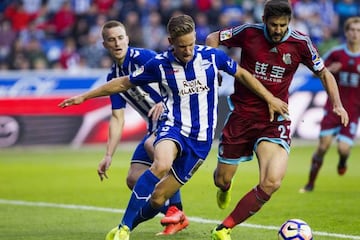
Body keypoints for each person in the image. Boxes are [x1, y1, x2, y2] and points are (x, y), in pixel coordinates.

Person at [59, 14, 289, 240]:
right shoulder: (159, 64)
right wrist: (85, 97)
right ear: (170, 43)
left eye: (190, 44)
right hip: (173, 127)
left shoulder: (211, 57)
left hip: (200, 140)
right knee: (161, 164)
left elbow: (242, 74)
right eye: (181, 47)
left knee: (158, 198)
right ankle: (123, 228)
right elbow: (123, 82)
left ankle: (138, 223)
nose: (188, 51)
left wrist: (269, 98)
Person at [205, 1, 349, 239]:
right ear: (264, 20)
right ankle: (225, 188)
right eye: (273, 25)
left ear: (289, 23)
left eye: (283, 25)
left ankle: (224, 228)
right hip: (241, 115)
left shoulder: (300, 43)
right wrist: (214, 70)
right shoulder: (248, 32)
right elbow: (212, 38)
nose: (278, 30)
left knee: (271, 182)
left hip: (275, 118)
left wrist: (337, 104)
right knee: (222, 179)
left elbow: (324, 72)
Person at [98, 20, 189, 235]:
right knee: (133, 178)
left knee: (152, 145)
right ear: (105, 45)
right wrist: (108, 155)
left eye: (120, 38)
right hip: (154, 127)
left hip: (173, 118)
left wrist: (165, 98)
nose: (117, 43)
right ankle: (174, 213)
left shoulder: (143, 57)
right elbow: (117, 118)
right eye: (111, 40)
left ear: (127, 39)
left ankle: (176, 209)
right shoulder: (113, 77)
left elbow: (176, 69)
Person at [300, 16, 360, 193]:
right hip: (332, 108)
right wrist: (329, 71)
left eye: (358, 31)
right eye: (352, 30)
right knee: (323, 146)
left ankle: (342, 161)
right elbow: (314, 72)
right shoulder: (335, 53)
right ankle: (310, 184)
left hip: (353, 111)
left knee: (343, 149)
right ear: (346, 32)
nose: (355, 34)